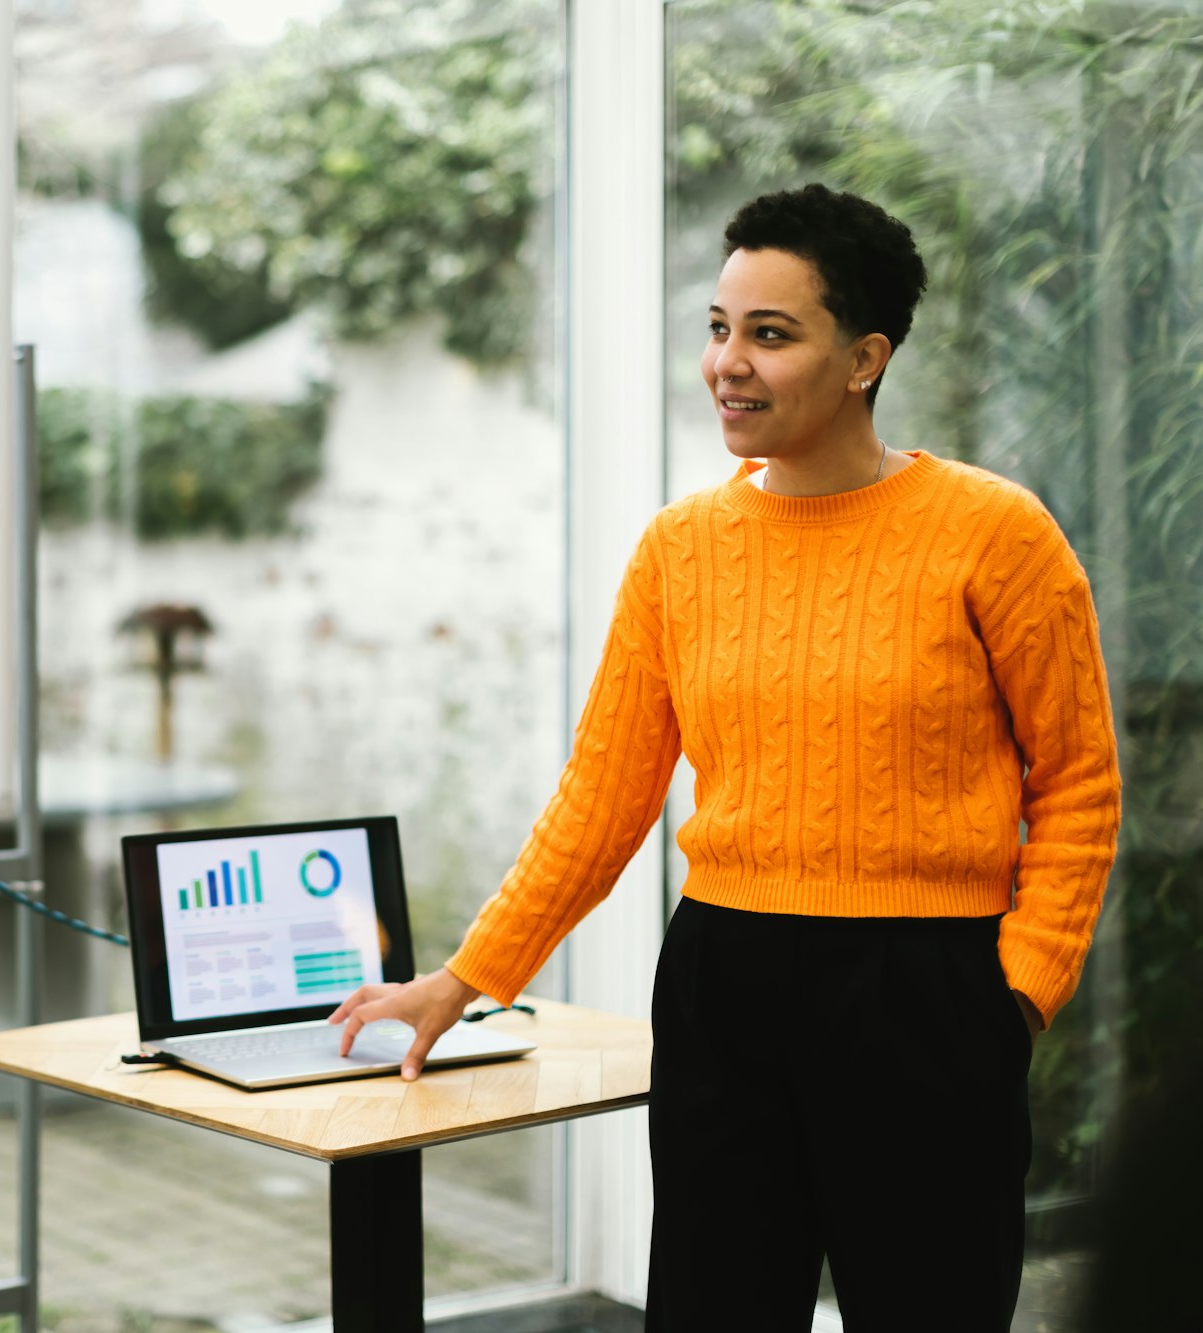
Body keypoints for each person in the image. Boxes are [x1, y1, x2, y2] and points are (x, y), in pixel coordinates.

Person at [328, 183, 1121, 1331]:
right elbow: (601, 796)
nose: (725, 365)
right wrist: (464, 979)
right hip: (725, 985)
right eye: (715, 327)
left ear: (863, 358)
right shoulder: (679, 550)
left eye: (768, 334)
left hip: (927, 999)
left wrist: (1017, 997)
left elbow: (1079, 784)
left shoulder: (993, 534)